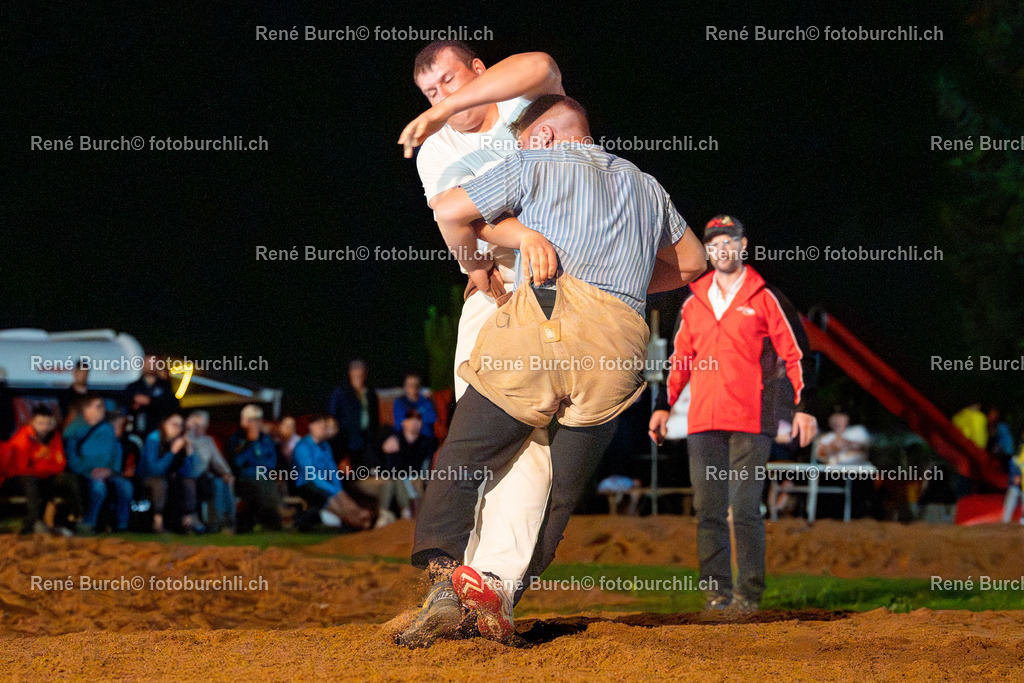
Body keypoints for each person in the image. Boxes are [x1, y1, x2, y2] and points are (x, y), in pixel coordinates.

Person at [400, 95, 706, 646]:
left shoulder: (535, 161)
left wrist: (492, 255)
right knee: (560, 492)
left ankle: (445, 582)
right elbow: (693, 263)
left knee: (466, 454)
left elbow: (449, 210)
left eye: (521, 141)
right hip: (620, 350)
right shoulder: (648, 185)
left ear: (541, 138)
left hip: (547, 322)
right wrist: (630, 285)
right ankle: (498, 592)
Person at [398, 40, 567, 636]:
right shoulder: (436, 147)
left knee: (530, 443)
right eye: (430, 94)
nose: (442, 100)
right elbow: (458, 222)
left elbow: (542, 64)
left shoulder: (525, 103)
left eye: (449, 82)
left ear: (478, 71)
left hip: (557, 298)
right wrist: (477, 261)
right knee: (474, 430)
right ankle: (450, 582)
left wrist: (504, 237)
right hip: (493, 292)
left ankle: (490, 586)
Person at [649, 215, 818, 617]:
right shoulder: (694, 300)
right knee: (708, 511)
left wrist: (805, 408)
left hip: (751, 418)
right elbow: (679, 360)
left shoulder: (765, 297)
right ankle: (716, 595)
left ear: (743, 246)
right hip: (703, 421)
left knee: (743, 510)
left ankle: (749, 596)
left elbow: (797, 354)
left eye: (730, 242)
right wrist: (662, 406)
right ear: (706, 251)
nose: (722, 250)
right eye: (714, 244)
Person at [0, 406, 82, 535]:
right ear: (32, 422)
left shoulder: (55, 437)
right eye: (40, 423)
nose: (44, 427)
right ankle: (33, 522)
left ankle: (76, 517)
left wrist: (40, 466)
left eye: (48, 423)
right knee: (30, 480)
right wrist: (42, 463)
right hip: (21, 481)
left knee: (68, 478)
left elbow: (60, 464)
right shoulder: (22, 438)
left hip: (45, 478)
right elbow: (21, 468)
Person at [291, 414, 373, 532]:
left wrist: (338, 489)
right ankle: (354, 519)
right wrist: (335, 491)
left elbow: (333, 471)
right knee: (331, 497)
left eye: (324, 426)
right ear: (311, 427)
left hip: (324, 484)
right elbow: (312, 476)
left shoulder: (325, 446)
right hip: (305, 485)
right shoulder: (302, 447)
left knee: (341, 495)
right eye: (319, 425)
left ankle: (357, 517)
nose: (322, 429)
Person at [64, 395, 132, 533]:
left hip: (107, 471)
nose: (101, 410)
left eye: (101, 406)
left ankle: (122, 525)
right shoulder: (73, 430)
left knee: (126, 487)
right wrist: (89, 470)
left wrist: (111, 470)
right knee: (98, 488)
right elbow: (71, 457)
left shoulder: (107, 429)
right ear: (85, 409)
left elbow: (116, 451)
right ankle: (88, 522)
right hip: (85, 472)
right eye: (96, 406)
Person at [139, 413, 199, 533]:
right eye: (173, 424)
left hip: (169, 478)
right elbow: (155, 469)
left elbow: (189, 472)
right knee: (160, 483)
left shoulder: (180, 442)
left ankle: (187, 521)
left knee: (188, 482)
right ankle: (157, 522)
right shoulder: (154, 439)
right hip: (148, 477)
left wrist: (189, 455)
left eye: (180, 426)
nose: (177, 428)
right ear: (164, 424)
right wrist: (172, 452)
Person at [227, 404, 281, 532]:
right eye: (250, 420)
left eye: (257, 420)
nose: (254, 424)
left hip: (263, 477)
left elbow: (271, 462)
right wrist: (249, 443)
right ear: (243, 421)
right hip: (243, 478)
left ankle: (271, 517)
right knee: (260, 481)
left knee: (265, 480)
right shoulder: (236, 440)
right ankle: (275, 515)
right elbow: (237, 463)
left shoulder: (266, 440)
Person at [186, 411, 235, 533]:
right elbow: (192, 465)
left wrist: (227, 473)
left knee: (223, 481)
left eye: (202, 426)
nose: (199, 429)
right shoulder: (186, 439)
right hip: (189, 476)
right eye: (196, 425)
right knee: (215, 483)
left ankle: (225, 522)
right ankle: (216, 523)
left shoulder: (207, 441)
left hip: (203, 477)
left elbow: (217, 460)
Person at [327, 360, 381, 470]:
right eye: (355, 372)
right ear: (350, 373)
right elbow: (332, 416)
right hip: (347, 440)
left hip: (368, 439)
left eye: (361, 372)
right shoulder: (340, 392)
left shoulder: (370, 393)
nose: (358, 375)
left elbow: (375, 416)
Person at [126, 354, 179, 436]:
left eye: (153, 363)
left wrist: (150, 402)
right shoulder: (134, 384)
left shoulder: (164, 385)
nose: (150, 365)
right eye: (147, 362)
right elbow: (124, 400)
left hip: (156, 428)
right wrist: (133, 401)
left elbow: (171, 404)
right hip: (135, 428)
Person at [392, 374, 437, 439]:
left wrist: (413, 418)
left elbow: (432, 418)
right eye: (410, 385)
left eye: (416, 385)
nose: (413, 387)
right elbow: (399, 422)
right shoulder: (399, 402)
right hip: (406, 439)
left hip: (425, 437)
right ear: (405, 386)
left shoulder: (425, 401)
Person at [1001, 437, 1024, 525]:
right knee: (1013, 492)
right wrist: (1016, 474)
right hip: (1018, 479)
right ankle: (1005, 520)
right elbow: (1014, 461)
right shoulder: (1020, 449)